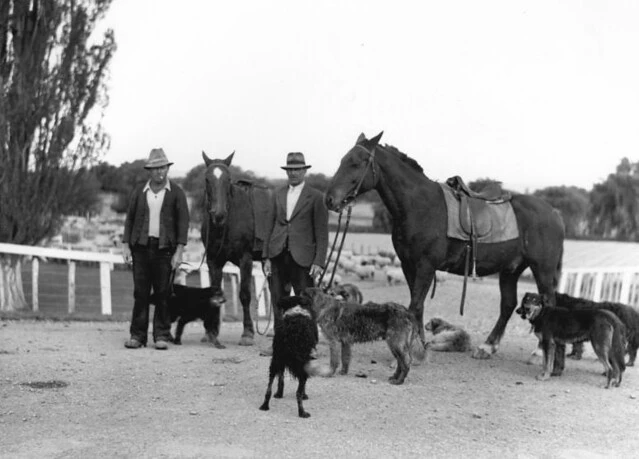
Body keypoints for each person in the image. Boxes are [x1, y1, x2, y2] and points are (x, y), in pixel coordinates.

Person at [121, 148, 190, 350]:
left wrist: (178, 252)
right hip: (140, 248)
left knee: (163, 293)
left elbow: (183, 224)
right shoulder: (139, 192)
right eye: (156, 169)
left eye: (163, 168)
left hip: (165, 250)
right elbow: (130, 219)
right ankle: (137, 335)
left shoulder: (176, 192)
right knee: (140, 293)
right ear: (149, 171)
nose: (160, 172)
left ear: (167, 169)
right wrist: (126, 245)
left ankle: (161, 334)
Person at [262, 152, 329, 328]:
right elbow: (269, 226)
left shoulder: (316, 197)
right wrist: (266, 257)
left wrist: (319, 262)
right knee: (278, 301)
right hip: (277, 255)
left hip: (303, 258)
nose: (293, 173)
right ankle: (280, 343)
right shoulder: (277, 194)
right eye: (290, 170)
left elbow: (322, 233)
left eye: (297, 169)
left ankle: (310, 345)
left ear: (304, 171)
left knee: (306, 302)